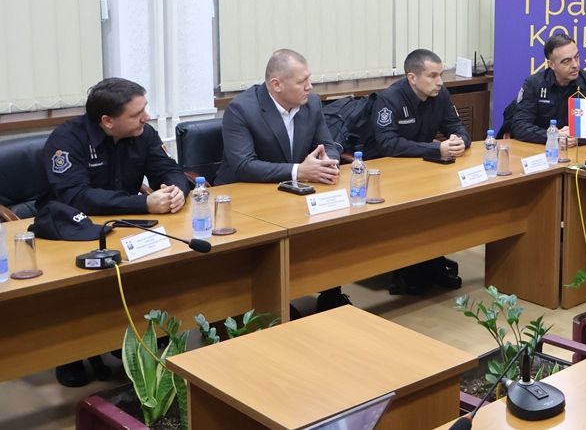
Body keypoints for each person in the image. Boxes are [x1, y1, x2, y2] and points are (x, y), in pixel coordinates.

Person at [42, 77, 192, 387]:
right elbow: (77, 196)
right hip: (73, 228)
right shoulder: (67, 139)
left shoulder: (143, 133)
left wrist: (177, 190)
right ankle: (70, 352)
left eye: (145, 109)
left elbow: (168, 169)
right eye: (137, 114)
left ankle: (125, 334)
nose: (146, 118)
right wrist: (143, 204)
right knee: (80, 284)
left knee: (156, 267)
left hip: (126, 225)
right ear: (108, 121)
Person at [215, 49, 350, 314]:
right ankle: (273, 303)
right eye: (302, 81)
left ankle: (330, 292)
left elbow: (329, 144)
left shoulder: (311, 104)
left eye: (309, 79)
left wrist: (328, 160)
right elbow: (243, 166)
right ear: (276, 84)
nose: (309, 87)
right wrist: (299, 170)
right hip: (246, 199)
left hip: (291, 193)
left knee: (332, 229)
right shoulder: (242, 109)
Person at [364, 49, 469, 295]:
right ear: (412, 78)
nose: (440, 82)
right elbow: (387, 144)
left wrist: (459, 141)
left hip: (422, 167)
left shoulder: (440, 95)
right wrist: (435, 148)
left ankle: (430, 259)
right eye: (433, 76)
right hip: (387, 173)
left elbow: (456, 126)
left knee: (439, 206)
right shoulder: (389, 100)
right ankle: (408, 268)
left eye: (441, 74)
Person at [509, 34, 586, 146]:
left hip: (581, 150)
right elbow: (519, 125)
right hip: (544, 150)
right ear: (552, 64)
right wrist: (554, 136)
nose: (575, 65)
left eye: (577, 57)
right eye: (566, 61)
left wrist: (578, 137)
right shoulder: (534, 84)